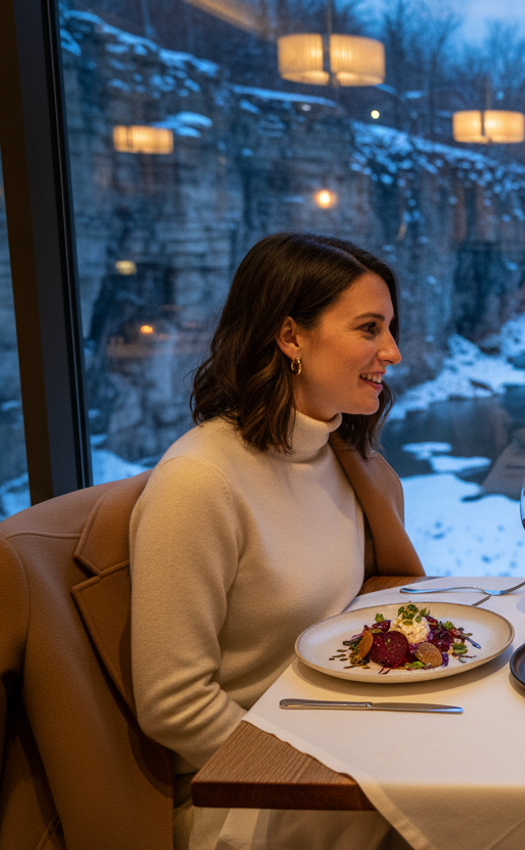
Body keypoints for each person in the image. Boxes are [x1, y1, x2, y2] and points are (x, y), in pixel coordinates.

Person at [130, 232, 423, 850]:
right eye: (369, 329)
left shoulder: (345, 458)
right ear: (291, 337)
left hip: (344, 739)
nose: (392, 353)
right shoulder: (200, 482)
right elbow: (172, 703)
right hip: (252, 793)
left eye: (389, 329)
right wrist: (312, 774)